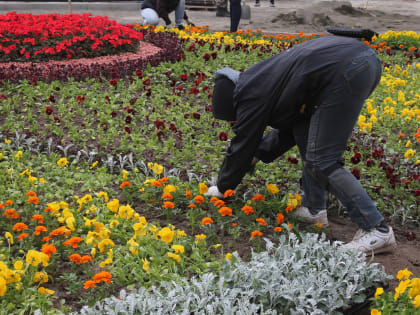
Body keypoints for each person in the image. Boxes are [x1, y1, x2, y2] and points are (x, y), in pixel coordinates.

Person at [204, 35, 397, 255]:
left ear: (233, 103)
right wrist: (259, 153)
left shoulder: (249, 93)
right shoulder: (265, 81)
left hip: (344, 70)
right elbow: (290, 130)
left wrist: (222, 187)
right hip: (362, 61)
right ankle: (314, 209)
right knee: (308, 138)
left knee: (323, 158)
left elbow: (243, 142)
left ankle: (376, 229)